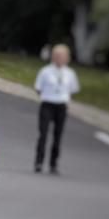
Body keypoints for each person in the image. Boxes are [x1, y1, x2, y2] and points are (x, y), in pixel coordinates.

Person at [34, 43, 80, 174]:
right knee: (43, 134)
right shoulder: (45, 71)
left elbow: (72, 90)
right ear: (53, 57)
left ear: (67, 58)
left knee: (57, 136)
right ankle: (38, 162)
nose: (60, 58)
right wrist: (48, 96)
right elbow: (38, 88)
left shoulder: (70, 73)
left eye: (62, 56)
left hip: (61, 106)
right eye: (57, 56)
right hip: (47, 104)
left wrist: (64, 99)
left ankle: (53, 164)